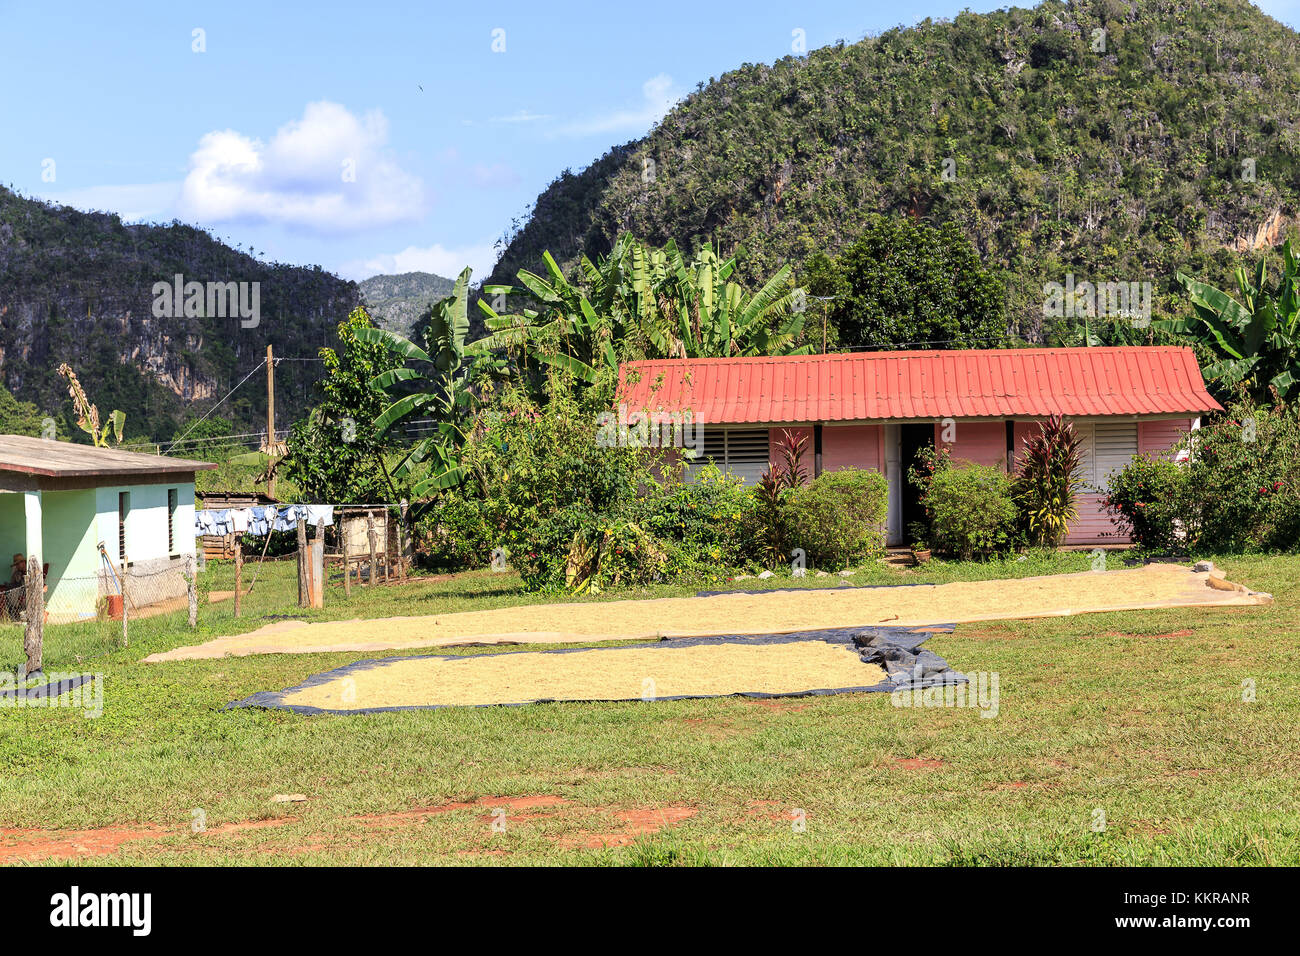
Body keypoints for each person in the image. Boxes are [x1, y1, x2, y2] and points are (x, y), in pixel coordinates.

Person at [3, 554, 25, 619]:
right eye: (16, 565)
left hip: (27, 592)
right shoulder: (17, 573)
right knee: (8, 592)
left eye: (18, 564)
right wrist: (14, 571)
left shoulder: (29, 570)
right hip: (18, 593)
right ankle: (11, 616)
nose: (17, 566)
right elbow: (12, 583)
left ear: (23, 563)